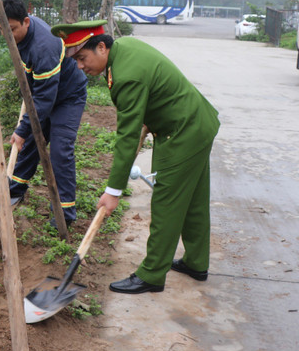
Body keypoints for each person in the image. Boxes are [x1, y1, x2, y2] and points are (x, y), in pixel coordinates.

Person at [51, 19, 220, 294]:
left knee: (167, 202)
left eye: (82, 58)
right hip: (197, 122)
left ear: (102, 47)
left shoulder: (126, 74)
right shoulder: (124, 49)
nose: (80, 66)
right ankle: (196, 263)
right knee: (194, 199)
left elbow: (127, 138)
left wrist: (113, 191)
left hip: (182, 133)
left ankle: (152, 274)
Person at [0, 0, 88, 229]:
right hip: (46, 91)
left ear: (26, 22)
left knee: (60, 151)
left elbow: (44, 100)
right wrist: (27, 131)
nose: (6, 35)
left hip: (68, 97)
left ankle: (66, 211)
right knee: (32, 140)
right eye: (2, 30)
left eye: (11, 30)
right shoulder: (21, 35)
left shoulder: (44, 47)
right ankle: (15, 189)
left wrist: (21, 130)